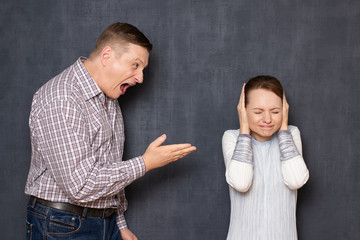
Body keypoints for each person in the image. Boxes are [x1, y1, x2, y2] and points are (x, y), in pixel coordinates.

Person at [25, 22, 196, 240]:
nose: (140, 78)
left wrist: (118, 223)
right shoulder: (62, 98)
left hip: (103, 222)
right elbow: (81, 186)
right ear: (107, 56)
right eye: (135, 65)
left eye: (142, 69)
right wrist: (146, 163)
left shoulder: (108, 95)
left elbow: (108, 165)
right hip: (62, 225)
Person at [222, 75, 309, 240]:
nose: (268, 119)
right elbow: (241, 183)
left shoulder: (291, 134)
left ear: (284, 110)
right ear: (243, 110)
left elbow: (296, 180)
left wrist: (283, 128)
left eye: (275, 111)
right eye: (258, 112)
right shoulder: (233, 137)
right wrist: (244, 130)